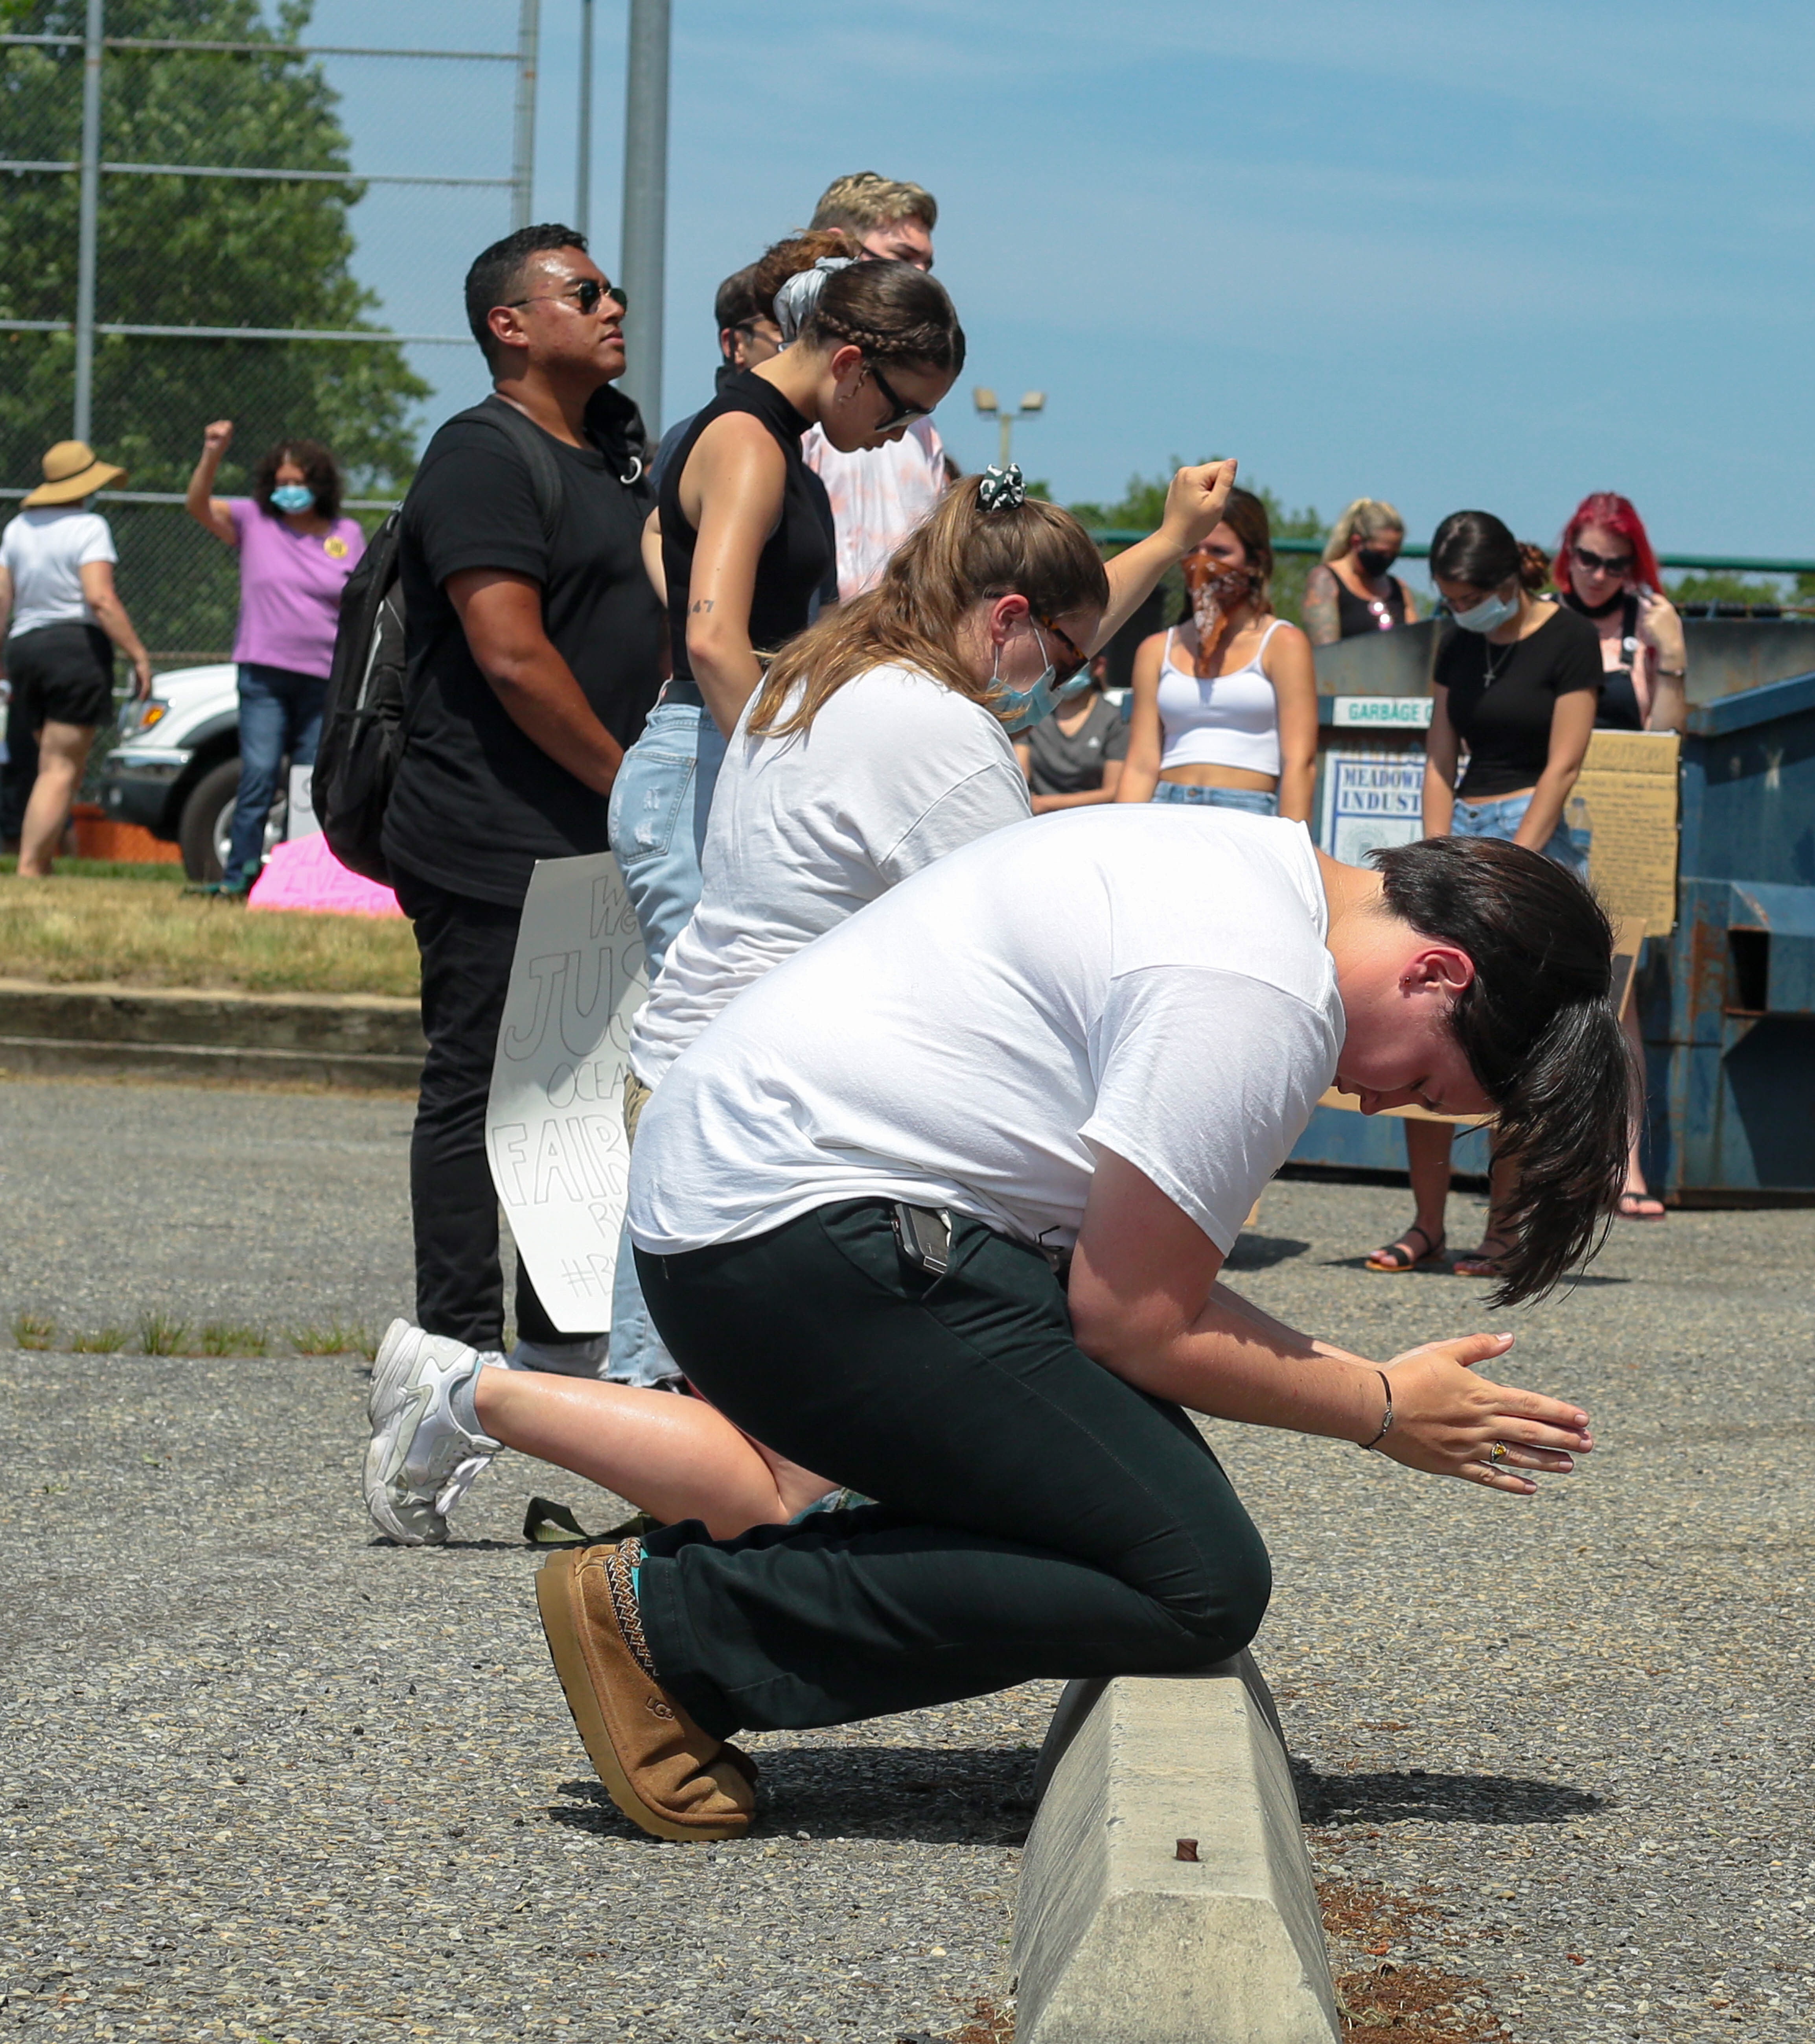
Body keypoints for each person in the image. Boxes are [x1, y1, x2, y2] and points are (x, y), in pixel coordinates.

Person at [528, 811, 1629, 1842]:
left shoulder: (1250, 873)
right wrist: (1380, 1409)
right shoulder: (1258, 989)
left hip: (764, 1231)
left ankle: (693, 1609)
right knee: (1194, 1576)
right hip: (793, 1250)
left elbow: (1142, 1287)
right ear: (1437, 973)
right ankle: (675, 1626)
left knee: (1134, 1506)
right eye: (1425, 1081)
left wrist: (1375, 1382)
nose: (1385, 1106)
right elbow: (1135, 1324)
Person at [363, 456, 1242, 1544]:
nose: (1063, 683)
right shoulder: (946, 739)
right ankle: (470, 1394)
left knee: (774, 1454)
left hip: (695, 1074)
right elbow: (1026, 969)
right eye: (1063, 656)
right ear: (1007, 617)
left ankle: (477, 1400)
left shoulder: (820, 672)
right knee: (790, 1488)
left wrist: (1165, 539)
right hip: (778, 1122)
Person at [603, 240, 966, 1392]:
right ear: (849, 362)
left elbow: (676, 569)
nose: (898, 436)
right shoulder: (750, 441)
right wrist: (787, 766)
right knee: (696, 1077)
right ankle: (649, 1374)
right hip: (705, 760)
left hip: (716, 751)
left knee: (719, 1070)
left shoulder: (761, 439)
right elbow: (712, 635)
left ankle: (679, 1368)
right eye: (899, 409)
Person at [381, 222, 663, 1390]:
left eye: (611, 291)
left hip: (589, 832)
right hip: (489, 830)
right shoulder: (481, 455)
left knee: (580, 1091)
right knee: (478, 1081)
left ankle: (561, 1338)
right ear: (510, 324)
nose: (612, 308)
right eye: (583, 293)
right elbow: (509, 654)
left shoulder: (613, 460)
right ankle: (455, 1348)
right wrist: (627, 781)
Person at [1368, 511, 1603, 1279]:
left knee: (1510, 1034)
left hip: (1533, 828)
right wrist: (1435, 855)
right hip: (1462, 829)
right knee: (1425, 1019)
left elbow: (1564, 763)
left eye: (1469, 597)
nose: (1460, 610)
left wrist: (1512, 867)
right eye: (1449, 599)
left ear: (1508, 581)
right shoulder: (1458, 640)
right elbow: (1440, 752)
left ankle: (1504, 1228)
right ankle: (1426, 1224)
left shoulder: (1569, 638)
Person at [1553, 492, 1688, 1222]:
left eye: (1615, 563)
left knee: (1618, 995)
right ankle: (1561, 1164)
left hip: (1620, 826)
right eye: (1587, 558)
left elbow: (1664, 738)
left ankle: (1626, 1163)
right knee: (1548, 995)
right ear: (1568, 551)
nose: (1598, 574)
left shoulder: (1647, 624)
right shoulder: (1547, 616)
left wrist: (1675, 659)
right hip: (1552, 820)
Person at [183, 425, 366, 894]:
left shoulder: (346, 533)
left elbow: (361, 599)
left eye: (298, 482)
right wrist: (212, 453)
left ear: (319, 484)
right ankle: (240, 875)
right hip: (264, 675)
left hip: (324, 679)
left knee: (309, 783)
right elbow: (198, 505)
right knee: (260, 773)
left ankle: (300, 878)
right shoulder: (253, 521)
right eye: (281, 483)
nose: (289, 491)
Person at [1115, 486, 1318, 821]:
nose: (1203, 562)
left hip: (1246, 811)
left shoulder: (1283, 643)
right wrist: (1120, 832)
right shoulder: (1156, 649)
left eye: (1219, 552)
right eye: (1193, 549)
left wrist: (1294, 841)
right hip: (1166, 807)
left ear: (1255, 562)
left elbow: (1300, 762)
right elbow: (1141, 763)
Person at [0, 440, 153, 876]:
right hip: (74, 650)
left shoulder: (18, 528)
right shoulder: (89, 527)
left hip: (25, 649)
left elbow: (2, 600)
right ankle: (31, 867)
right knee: (61, 767)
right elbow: (100, 598)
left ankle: (42, 861)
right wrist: (138, 655)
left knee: (51, 765)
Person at [799, 173, 951, 597]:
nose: (922, 279)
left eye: (927, 266)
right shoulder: (791, 404)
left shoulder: (921, 425)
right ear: (837, 250)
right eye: (902, 259)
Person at [648, 264, 786, 493]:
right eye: (782, 328)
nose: (799, 343)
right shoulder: (689, 442)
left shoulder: (823, 438)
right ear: (736, 345)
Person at [1015, 651, 1128, 811]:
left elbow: (1113, 792)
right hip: (1036, 819)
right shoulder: (1033, 715)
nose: (1065, 672)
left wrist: (1045, 804)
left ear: (1098, 666)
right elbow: (1020, 775)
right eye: (1057, 663)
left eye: (1074, 664)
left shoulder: (1116, 720)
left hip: (1091, 818)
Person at [1302, 498, 1420, 645]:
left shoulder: (1399, 589)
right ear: (1357, 542)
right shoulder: (1326, 580)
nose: (1387, 559)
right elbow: (1326, 649)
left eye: (1393, 554)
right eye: (1381, 553)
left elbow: (1413, 645)